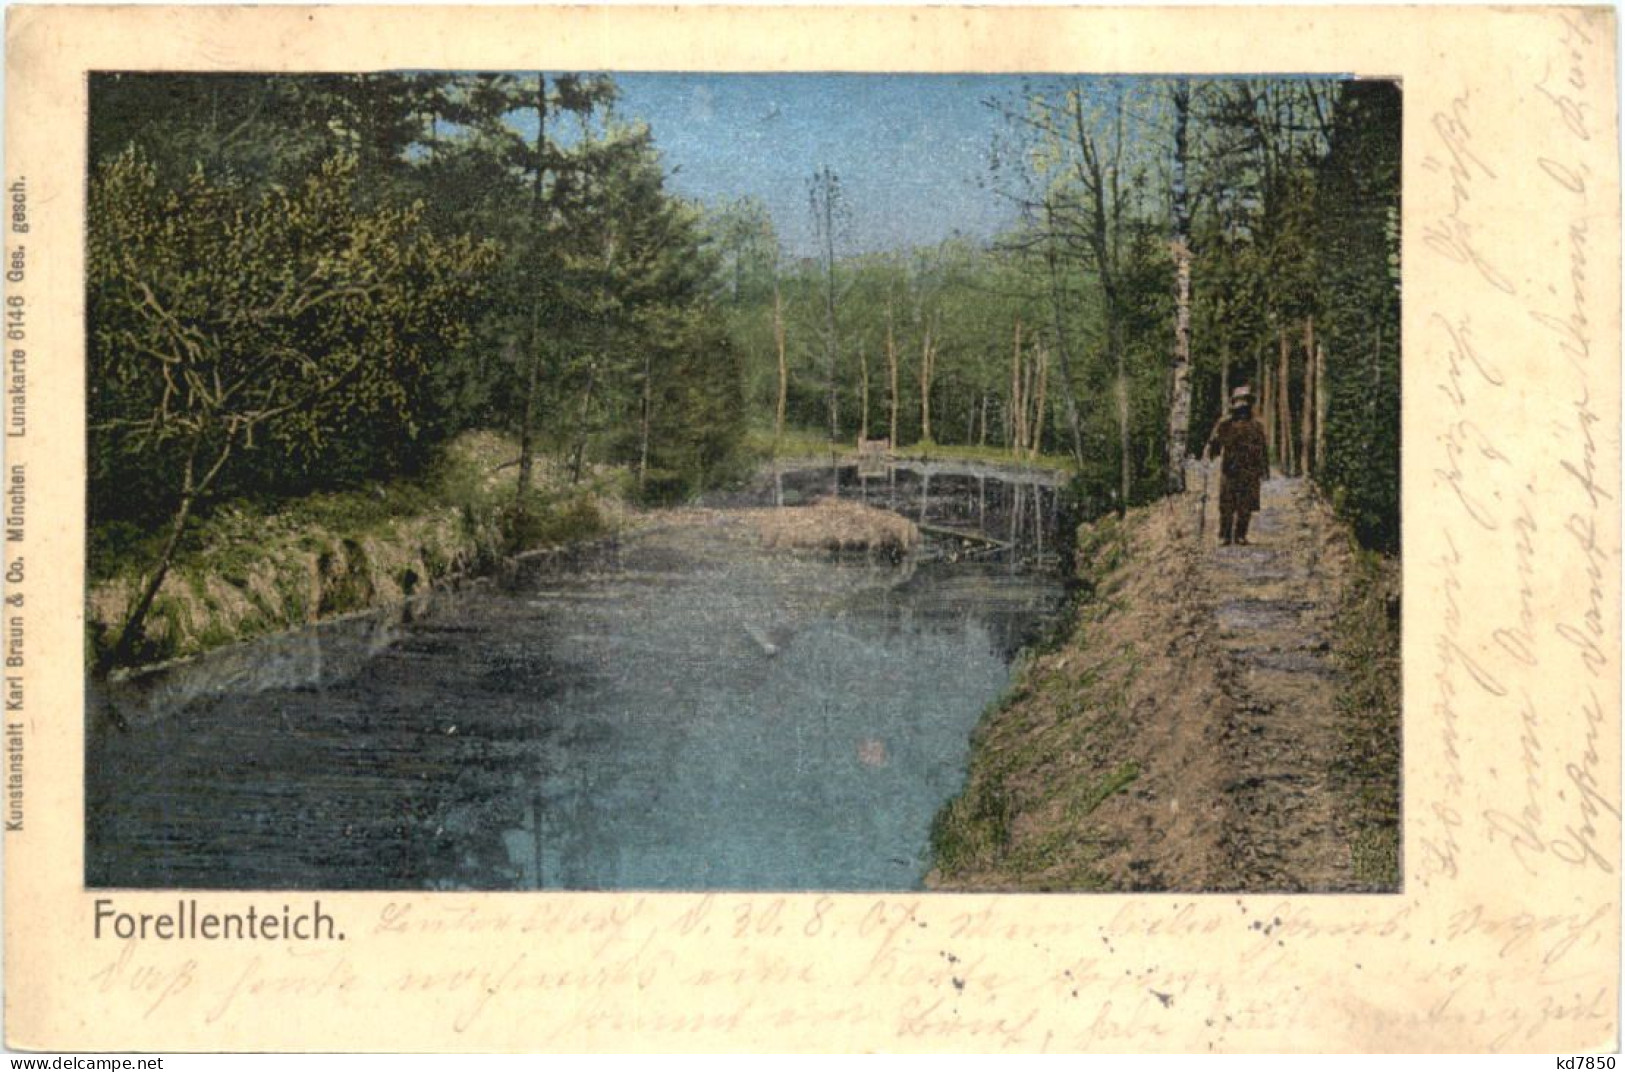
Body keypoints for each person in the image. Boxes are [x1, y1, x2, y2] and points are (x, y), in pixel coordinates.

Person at [1206, 385, 1269, 546]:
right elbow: (1215, 443)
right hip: (1230, 469)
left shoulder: (1256, 426)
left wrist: (1264, 470)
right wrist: (1211, 451)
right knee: (1226, 504)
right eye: (1239, 402)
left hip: (1250, 470)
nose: (1242, 406)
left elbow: (1263, 449)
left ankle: (1241, 535)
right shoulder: (1225, 424)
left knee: (1245, 505)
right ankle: (1225, 535)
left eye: (1245, 402)